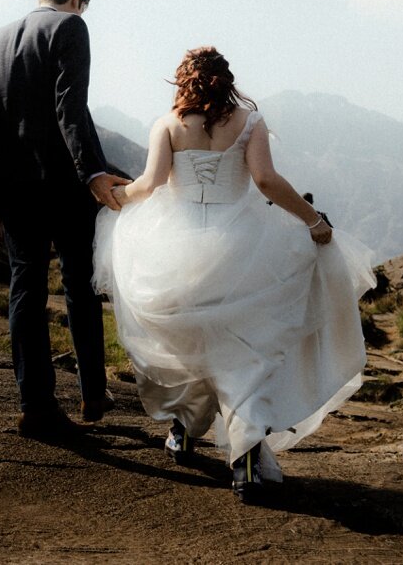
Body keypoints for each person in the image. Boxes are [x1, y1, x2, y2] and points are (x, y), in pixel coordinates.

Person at [93, 47, 376, 501]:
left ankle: (183, 432)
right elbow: (265, 181)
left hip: (175, 248)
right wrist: (313, 222)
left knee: (191, 345)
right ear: (226, 80)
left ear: (183, 81)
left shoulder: (166, 124)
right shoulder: (249, 122)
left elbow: (149, 186)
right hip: (242, 247)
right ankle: (244, 460)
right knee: (239, 352)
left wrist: (112, 195)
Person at [0, 0, 129, 439]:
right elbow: (70, 104)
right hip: (62, 182)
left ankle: (35, 404)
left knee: (26, 286)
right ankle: (93, 392)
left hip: (11, 187)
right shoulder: (71, 26)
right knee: (79, 284)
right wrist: (93, 172)